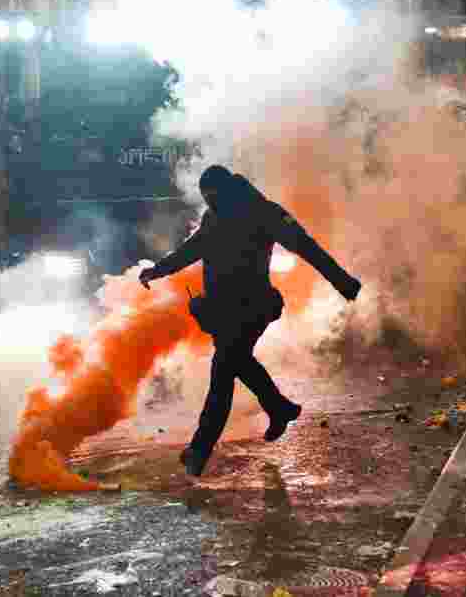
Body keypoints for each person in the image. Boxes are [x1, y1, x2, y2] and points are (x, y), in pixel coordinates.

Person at [139, 165, 361, 476]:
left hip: (252, 307)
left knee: (223, 371)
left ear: (227, 190)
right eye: (207, 198)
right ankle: (279, 408)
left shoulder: (263, 212)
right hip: (223, 311)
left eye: (214, 196)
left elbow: (306, 246)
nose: (211, 202)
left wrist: (342, 281)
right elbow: (191, 250)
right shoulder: (213, 217)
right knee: (238, 362)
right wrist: (157, 270)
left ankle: (199, 451)